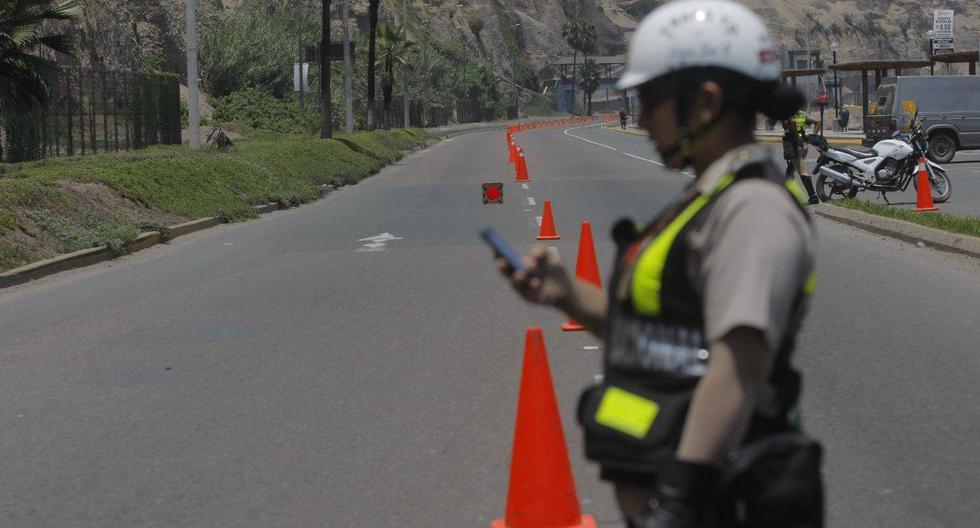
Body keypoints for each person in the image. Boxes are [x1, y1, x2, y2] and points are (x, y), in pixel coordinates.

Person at [493, 2, 824, 527]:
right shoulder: (709, 198)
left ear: (706, 101)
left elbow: (737, 367)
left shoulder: (753, 209)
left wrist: (678, 502)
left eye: (651, 99)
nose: (641, 117)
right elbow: (665, 339)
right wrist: (566, 292)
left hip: (723, 507)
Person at [782, 109, 820, 204]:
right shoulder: (802, 114)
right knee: (790, 171)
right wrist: (812, 137)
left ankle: (813, 196)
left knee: (802, 170)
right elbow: (817, 121)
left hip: (795, 146)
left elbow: (792, 122)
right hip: (803, 145)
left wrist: (797, 139)